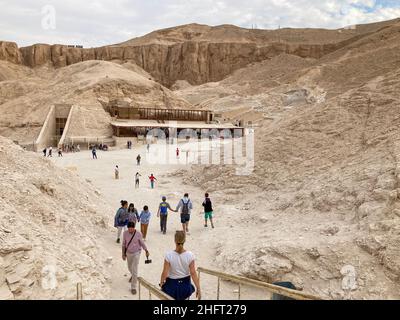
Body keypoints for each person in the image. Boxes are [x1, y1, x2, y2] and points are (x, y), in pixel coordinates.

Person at [160, 231, 201, 300]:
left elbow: (165, 272)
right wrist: (198, 288)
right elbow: (193, 273)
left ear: (175, 240)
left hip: (171, 286)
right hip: (185, 285)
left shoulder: (169, 255)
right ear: (184, 240)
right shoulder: (190, 255)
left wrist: (161, 283)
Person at [122, 221, 150, 295]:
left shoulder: (138, 233)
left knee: (134, 269)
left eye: (132, 228)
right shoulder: (125, 233)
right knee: (129, 267)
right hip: (128, 253)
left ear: (134, 228)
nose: (130, 230)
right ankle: (133, 276)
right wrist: (123, 254)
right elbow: (124, 244)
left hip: (136, 253)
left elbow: (142, 243)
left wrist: (146, 250)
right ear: (128, 228)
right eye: (129, 228)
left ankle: (133, 287)